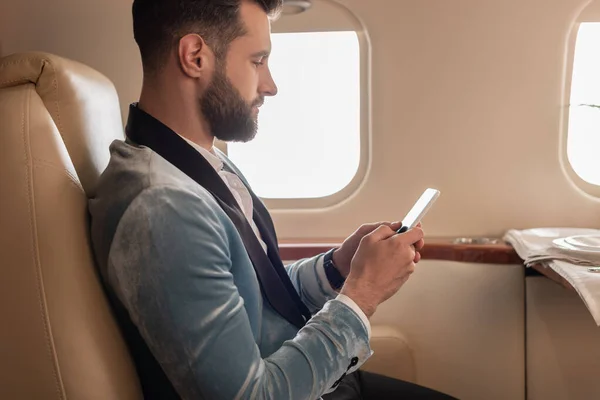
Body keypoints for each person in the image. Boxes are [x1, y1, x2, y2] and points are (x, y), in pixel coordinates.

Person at [88, 0, 458, 399]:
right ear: (195, 57)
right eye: (258, 60)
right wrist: (362, 293)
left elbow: (258, 301)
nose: (270, 85)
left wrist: (338, 269)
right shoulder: (163, 209)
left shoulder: (200, 167)